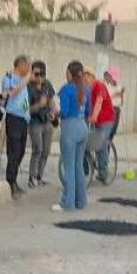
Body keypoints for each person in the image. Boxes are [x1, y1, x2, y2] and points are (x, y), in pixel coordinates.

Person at [55, 61, 90, 212]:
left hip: (70, 127)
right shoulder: (86, 89)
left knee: (68, 168)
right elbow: (88, 111)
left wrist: (55, 113)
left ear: (69, 73)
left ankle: (67, 202)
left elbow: (64, 111)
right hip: (83, 127)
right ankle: (80, 201)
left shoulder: (66, 89)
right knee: (78, 167)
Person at [0, 55, 32, 199]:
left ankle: (14, 178)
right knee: (14, 151)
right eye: (28, 65)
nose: (30, 69)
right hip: (13, 117)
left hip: (23, 119)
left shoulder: (25, 82)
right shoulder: (8, 77)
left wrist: (27, 113)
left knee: (21, 151)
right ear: (21, 65)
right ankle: (10, 181)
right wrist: (25, 81)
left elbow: (24, 99)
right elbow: (12, 92)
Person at [27, 61, 58, 187]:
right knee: (37, 149)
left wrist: (52, 109)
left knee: (46, 151)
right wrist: (39, 104)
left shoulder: (47, 84)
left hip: (47, 121)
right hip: (35, 121)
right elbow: (26, 108)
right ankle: (31, 177)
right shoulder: (28, 87)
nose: (39, 77)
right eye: (37, 73)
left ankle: (39, 176)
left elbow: (51, 100)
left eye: (42, 74)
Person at [86, 68, 117, 181]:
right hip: (95, 120)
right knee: (91, 142)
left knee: (101, 144)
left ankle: (104, 172)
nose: (85, 80)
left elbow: (99, 101)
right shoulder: (87, 89)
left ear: (93, 77)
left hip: (106, 120)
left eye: (87, 77)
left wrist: (94, 115)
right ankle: (91, 166)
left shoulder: (100, 86)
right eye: (84, 77)